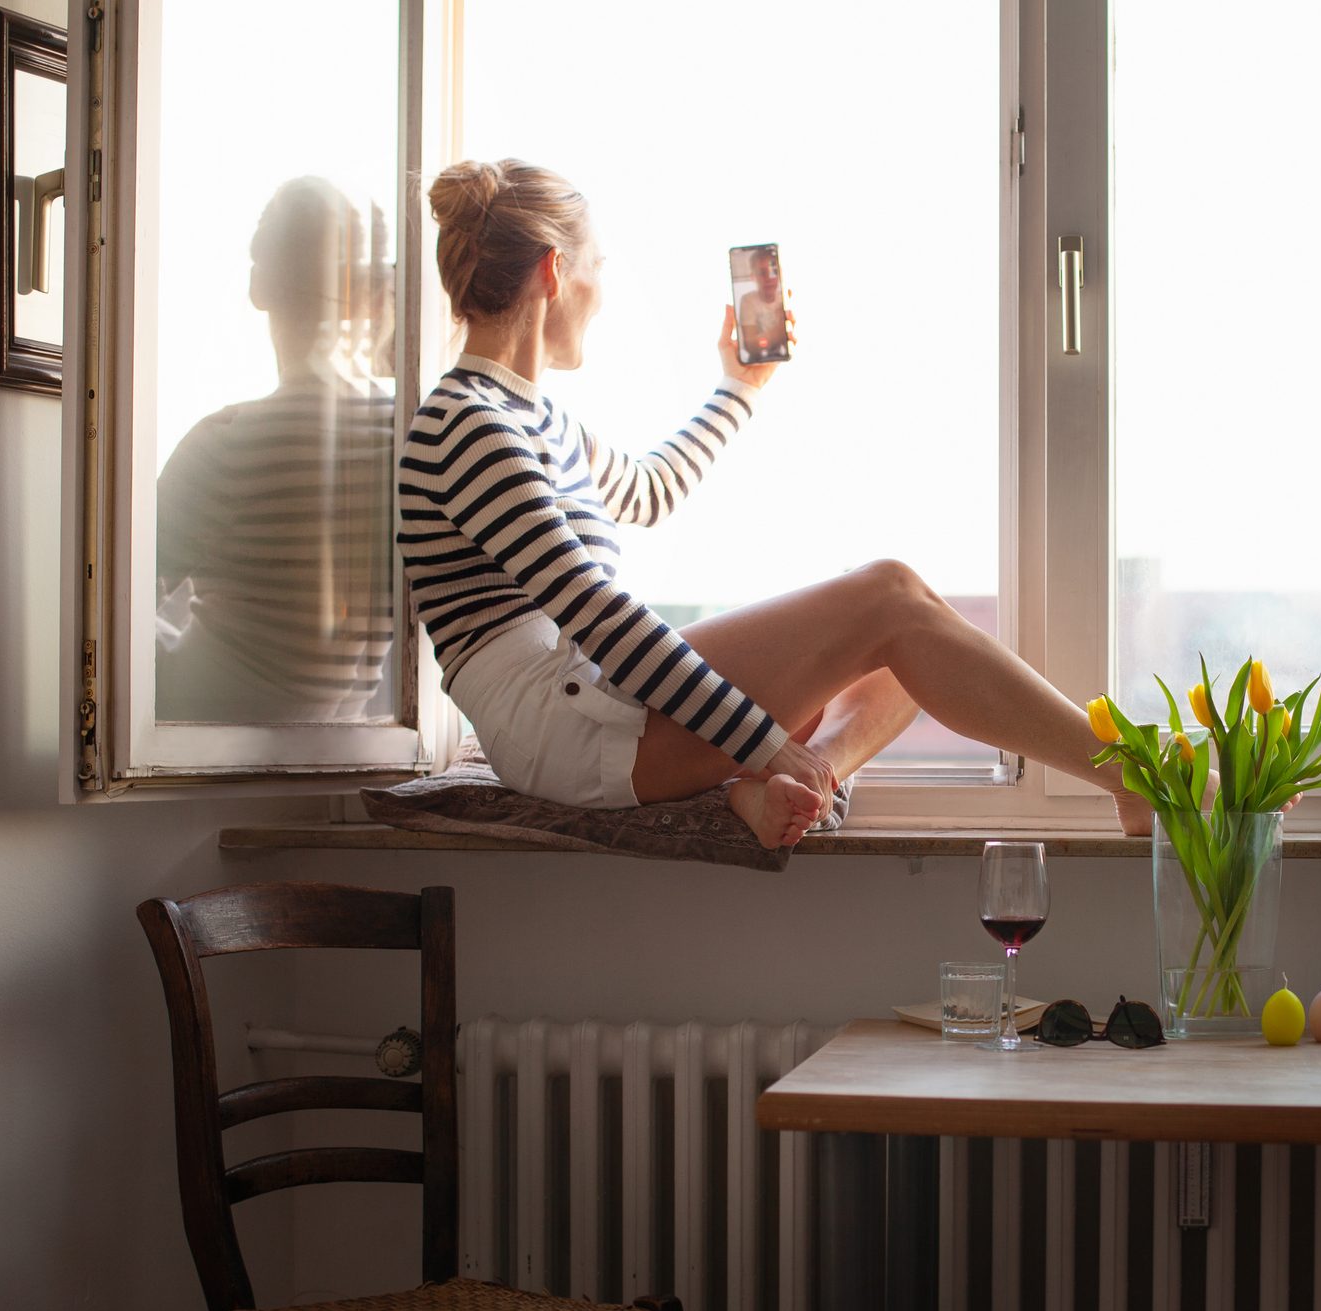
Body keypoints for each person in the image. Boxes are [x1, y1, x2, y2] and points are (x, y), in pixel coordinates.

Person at [400, 157, 1158, 848]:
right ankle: (1136, 777)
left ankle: (797, 785)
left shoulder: (529, 417)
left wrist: (739, 385)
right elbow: (598, 617)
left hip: (588, 706)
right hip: (561, 727)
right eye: (597, 264)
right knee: (890, 596)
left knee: (906, 654)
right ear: (556, 271)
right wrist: (767, 739)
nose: (603, 289)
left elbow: (649, 489)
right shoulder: (468, 425)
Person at [157, 176, 398, 723]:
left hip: (211, 723)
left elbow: (113, 613)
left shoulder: (227, 442)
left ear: (258, 286)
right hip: (352, 733)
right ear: (374, 294)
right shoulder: (407, 438)